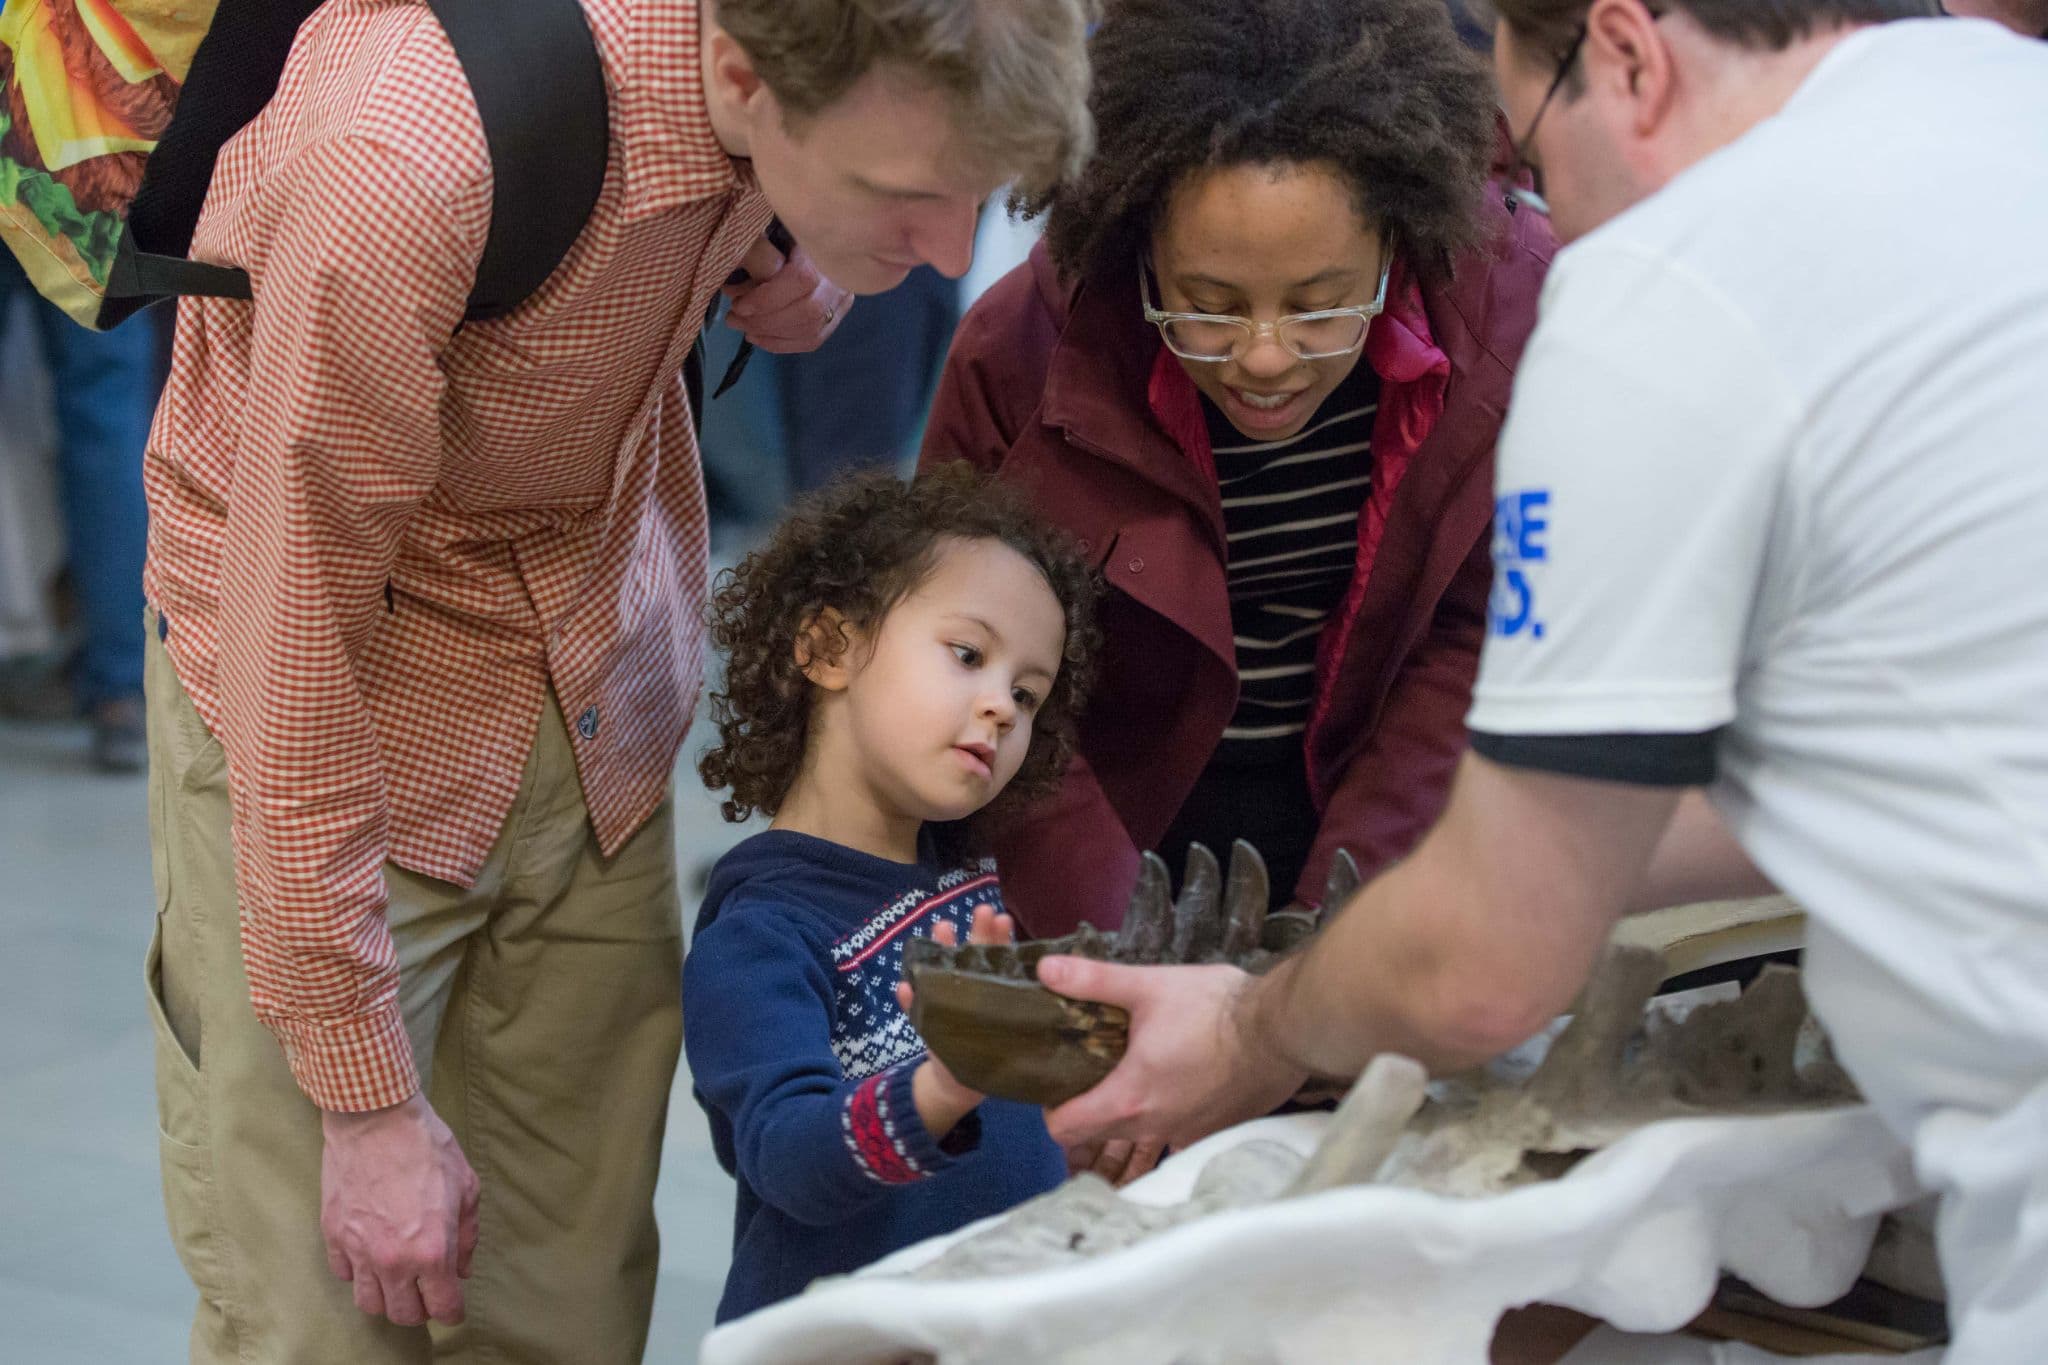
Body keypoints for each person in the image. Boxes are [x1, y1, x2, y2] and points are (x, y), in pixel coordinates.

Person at [1033, 2, 2048, 1359]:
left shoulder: (1652, 289)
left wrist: (1257, 1029)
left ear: (1623, 50)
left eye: (1535, 143)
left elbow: (1482, 965)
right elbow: (1896, 748)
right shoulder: (2001, 106)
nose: (1542, 203)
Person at [137, 0, 1092, 1359]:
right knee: (328, 1312)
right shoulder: (403, 158)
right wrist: (363, 1104)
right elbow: (293, 640)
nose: (952, 253)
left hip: (594, 691)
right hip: (339, 726)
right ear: (743, 76)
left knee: (568, 1308)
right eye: (908, 197)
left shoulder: (762, 99)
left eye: (977, 198)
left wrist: (800, 248)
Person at [919, 0, 1554, 942]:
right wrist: (1124, 953)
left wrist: (1338, 937)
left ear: (1397, 242)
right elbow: (976, 679)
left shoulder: (1508, 320)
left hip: (1396, 825)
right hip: (1100, 850)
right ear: (1140, 250)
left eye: (1321, 306)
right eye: (1207, 306)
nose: (1265, 357)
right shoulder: (1020, 359)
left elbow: (1474, 637)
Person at [683, 466, 1097, 1321]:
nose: (1002, 710)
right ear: (828, 648)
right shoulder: (760, 933)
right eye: (968, 655)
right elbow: (787, 1160)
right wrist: (941, 1089)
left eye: (1028, 693)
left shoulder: (973, 888)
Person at [0, 258, 155, 771]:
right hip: (67, 180)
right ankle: (121, 695)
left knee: (105, 407)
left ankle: (120, 681)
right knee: (105, 411)